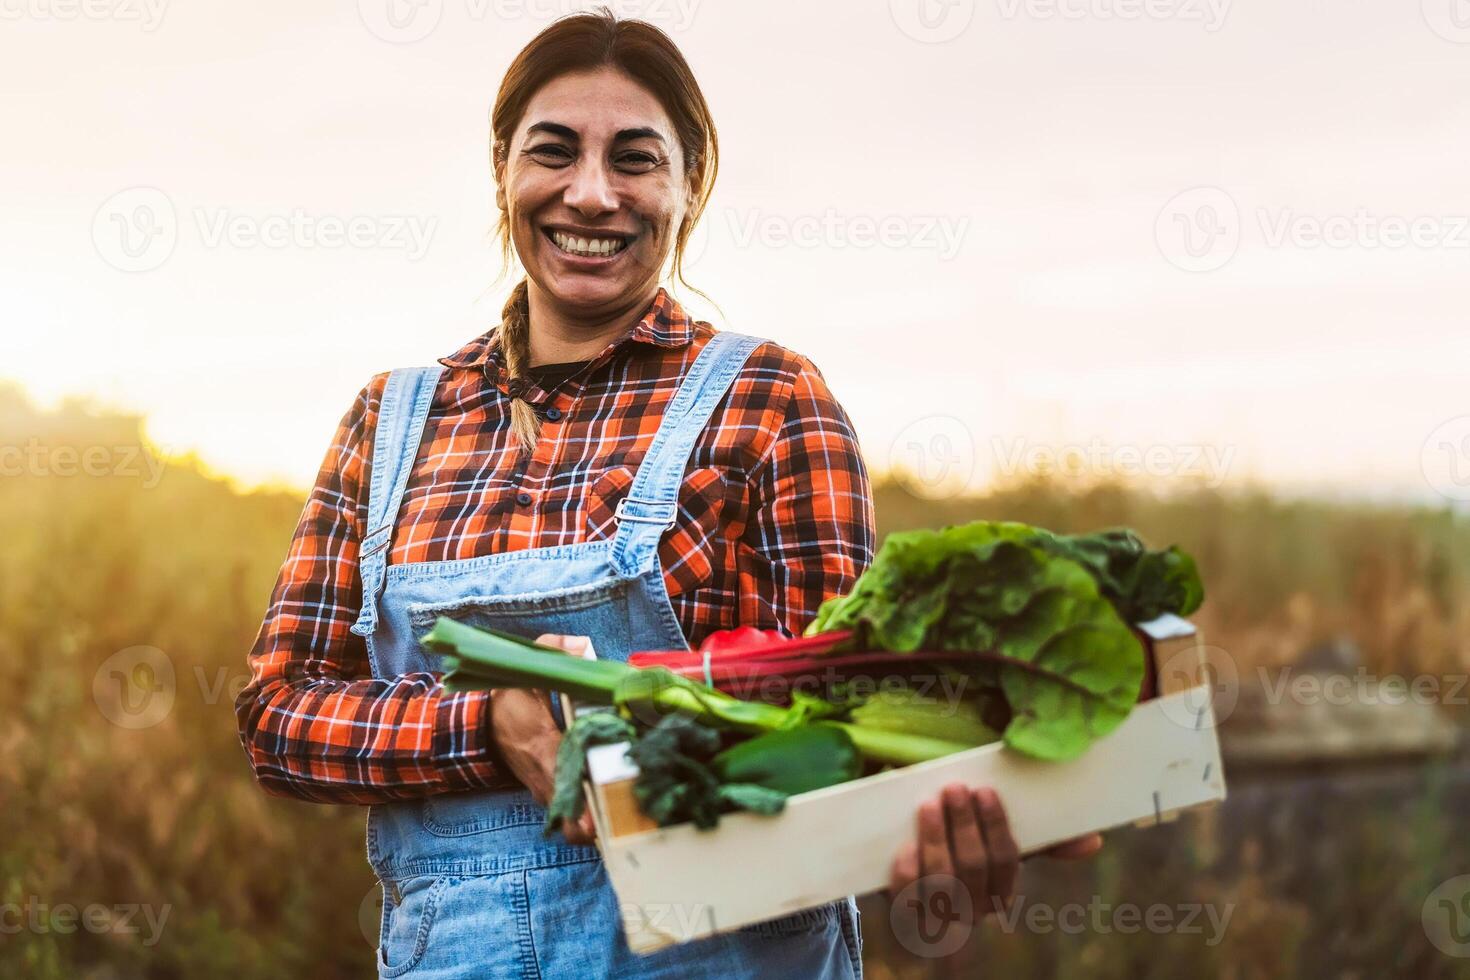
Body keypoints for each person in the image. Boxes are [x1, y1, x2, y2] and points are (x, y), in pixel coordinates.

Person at [235, 10, 1096, 977]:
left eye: (635, 160)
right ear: (502, 172)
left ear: (691, 186)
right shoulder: (389, 420)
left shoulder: (771, 401)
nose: (591, 194)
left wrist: (924, 817)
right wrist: (483, 723)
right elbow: (279, 716)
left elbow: (830, 724)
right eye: (553, 152)